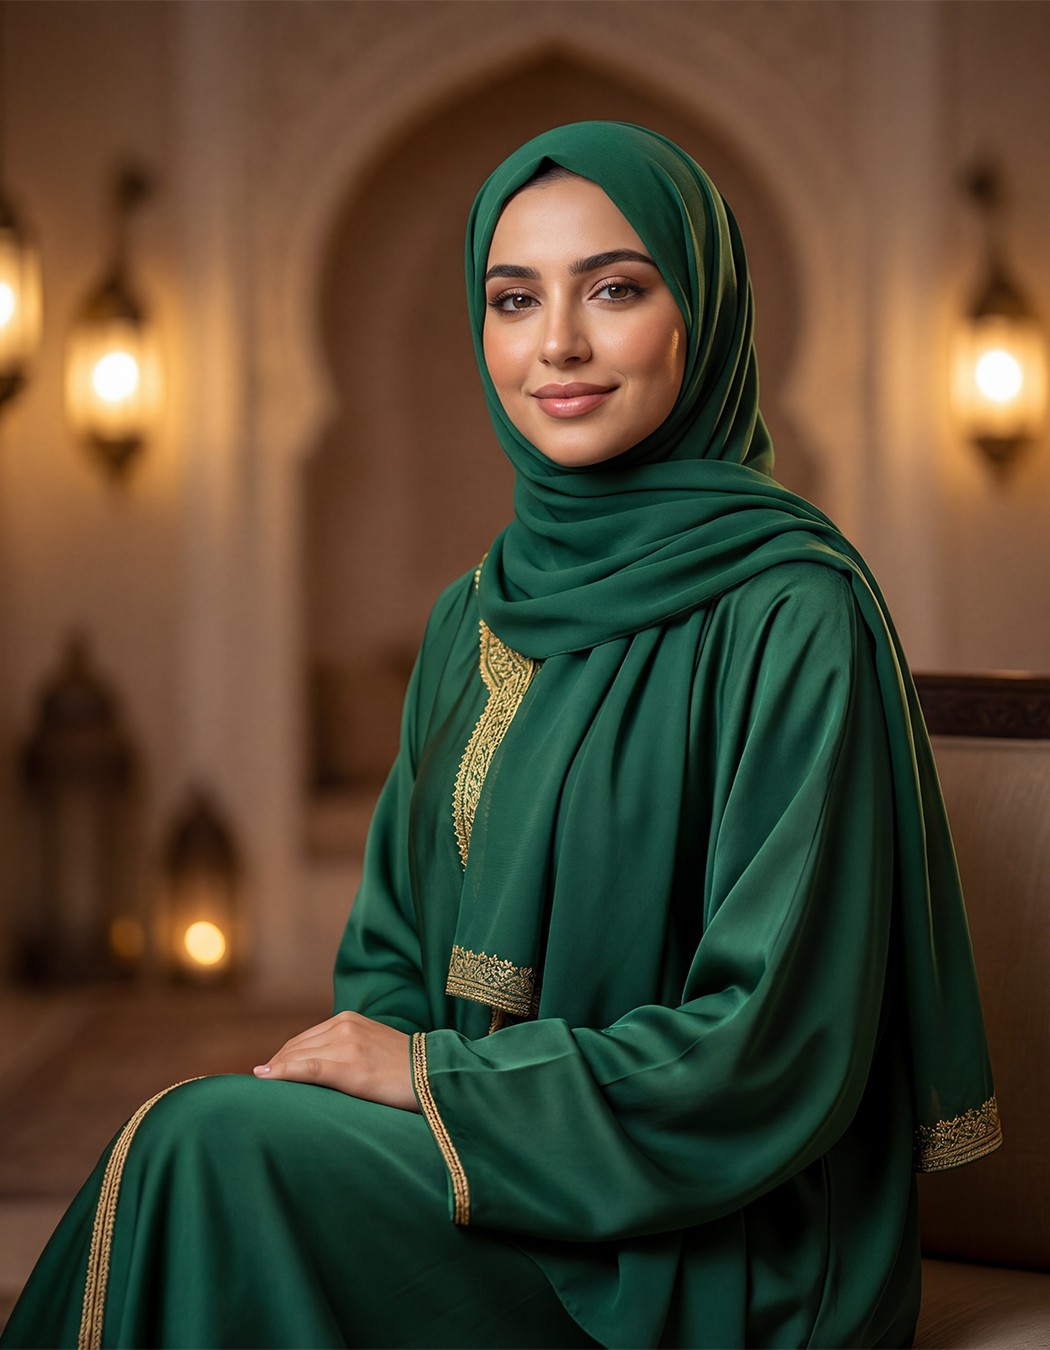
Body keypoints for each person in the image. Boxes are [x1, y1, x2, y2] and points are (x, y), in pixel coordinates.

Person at [2, 121, 1000, 1350]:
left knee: (199, 1149)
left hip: (719, 1231)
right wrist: (411, 1093)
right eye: (514, 298)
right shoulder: (474, 614)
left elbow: (775, 1040)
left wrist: (439, 1084)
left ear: (706, 311)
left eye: (617, 289)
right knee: (198, 1153)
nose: (558, 345)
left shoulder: (794, 610)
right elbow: (389, 954)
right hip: (480, 1172)